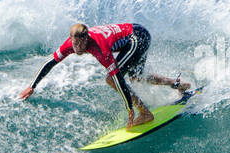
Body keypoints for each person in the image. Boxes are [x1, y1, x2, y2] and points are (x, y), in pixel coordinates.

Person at [17, 22, 189, 128]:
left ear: (86, 39)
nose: (76, 49)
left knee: (111, 79)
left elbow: (117, 79)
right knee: (136, 77)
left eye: (80, 44)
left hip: (138, 37)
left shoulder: (99, 47)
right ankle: (177, 84)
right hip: (135, 34)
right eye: (74, 44)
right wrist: (32, 86)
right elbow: (50, 63)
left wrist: (129, 108)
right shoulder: (70, 44)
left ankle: (144, 113)